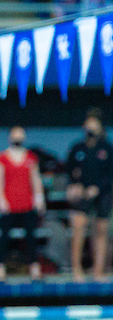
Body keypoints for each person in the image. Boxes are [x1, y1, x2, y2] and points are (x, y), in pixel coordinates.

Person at [0, 126, 45, 281]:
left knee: (31, 237)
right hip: (9, 205)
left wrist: (39, 199)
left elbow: (35, 179)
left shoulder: (30, 157)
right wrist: (1, 200)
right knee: (3, 238)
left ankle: (34, 268)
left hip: (27, 203)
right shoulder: (2, 158)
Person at [66, 111, 113, 280]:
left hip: (103, 194)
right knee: (78, 226)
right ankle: (76, 269)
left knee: (101, 229)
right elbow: (70, 172)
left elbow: (109, 175)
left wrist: (97, 188)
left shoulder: (107, 149)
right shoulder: (77, 149)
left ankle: (98, 270)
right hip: (83, 195)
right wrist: (74, 186)